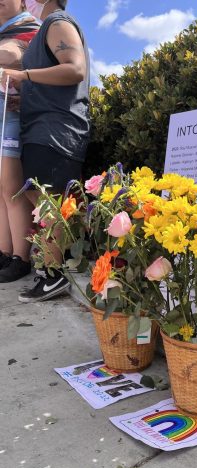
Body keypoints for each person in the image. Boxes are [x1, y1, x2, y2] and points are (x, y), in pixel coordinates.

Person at [3, 0, 90, 301]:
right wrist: (24, 94)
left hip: (56, 130)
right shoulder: (49, 29)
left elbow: (74, 69)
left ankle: (53, 275)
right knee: (41, 199)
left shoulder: (57, 23)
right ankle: (50, 270)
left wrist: (23, 76)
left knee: (48, 201)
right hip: (44, 127)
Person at [0, 0, 39, 283]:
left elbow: (14, 54)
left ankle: (21, 257)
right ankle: (4, 251)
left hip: (15, 115)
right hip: (1, 116)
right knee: (1, 189)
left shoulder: (29, 26)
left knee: (13, 187)